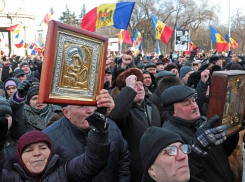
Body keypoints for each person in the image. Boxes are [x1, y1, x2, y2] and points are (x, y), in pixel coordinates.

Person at [43, 89, 131, 182]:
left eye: (93, 104)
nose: (90, 111)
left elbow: (123, 159)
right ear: (66, 113)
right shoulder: (49, 138)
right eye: (82, 106)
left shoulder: (110, 126)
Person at [161, 85, 238, 182]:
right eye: (187, 104)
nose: (195, 106)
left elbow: (225, 152)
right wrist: (197, 149)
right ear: (173, 111)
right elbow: (179, 175)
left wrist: (232, 132)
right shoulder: (169, 135)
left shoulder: (205, 121)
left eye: (193, 101)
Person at [0, 119, 111, 181]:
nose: (37, 153)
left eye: (43, 148)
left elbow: (93, 162)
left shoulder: (65, 171)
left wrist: (99, 134)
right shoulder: (10, 177)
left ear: (51, 151)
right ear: (19, 157)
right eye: (29, 150)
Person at [108, 68, 161, 182]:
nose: (140, 88)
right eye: (134, 85)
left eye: (141, 84)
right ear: (124, 90)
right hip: (133, 172)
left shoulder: (152, 107)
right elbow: (115, 115)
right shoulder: (124, 110)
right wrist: (128, 90)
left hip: (155, 168)